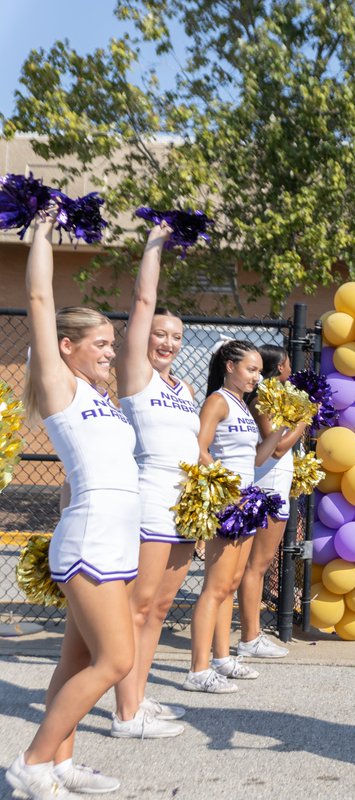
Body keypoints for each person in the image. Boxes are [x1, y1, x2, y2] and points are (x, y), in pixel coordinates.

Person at [7, 215, 138, 798]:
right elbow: (39, 297)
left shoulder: (100, 398)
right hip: (93, 540)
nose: (111, 351)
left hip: (109, 537)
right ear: (67, 347)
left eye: (112, 342)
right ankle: (31, 762)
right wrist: (41, 232)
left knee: (77, 659)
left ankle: (61, 763)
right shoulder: (59, 385)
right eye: (101, 343)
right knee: (115, 661)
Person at [109, 223, 191, 741]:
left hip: (186, 505)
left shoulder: (182, 388)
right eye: (160, 333)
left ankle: (137, 695)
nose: (167, 342)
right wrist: (156, 242)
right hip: (151, 499)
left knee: (159, 608)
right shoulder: (135, 374)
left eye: (176, 337)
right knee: (138, 607)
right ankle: (125, 715)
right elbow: (143, 300)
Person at [184, 340, 284, 694]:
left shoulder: (242, 404)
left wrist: (280, 431)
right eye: (251, 369)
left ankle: (222, 658)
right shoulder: (218, 401)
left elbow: (255, 459)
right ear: (230, 366)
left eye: (259, 371)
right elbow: (198, 449)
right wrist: (227, 488)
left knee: (230, 585)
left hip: (247, 502)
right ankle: (198, 670)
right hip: (228, 503)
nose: (257, 377)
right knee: (215, 587)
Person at [236, 344, 308, 660]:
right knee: (256, 566)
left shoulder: (275, 397)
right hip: (266, 490)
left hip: (276, 487)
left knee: (259, 566)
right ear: (279, 367)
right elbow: (276, 447)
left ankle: (252, 634)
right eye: (288, 362)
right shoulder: (262, 399)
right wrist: (303, 421)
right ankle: (250, 637)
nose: (291, 367)